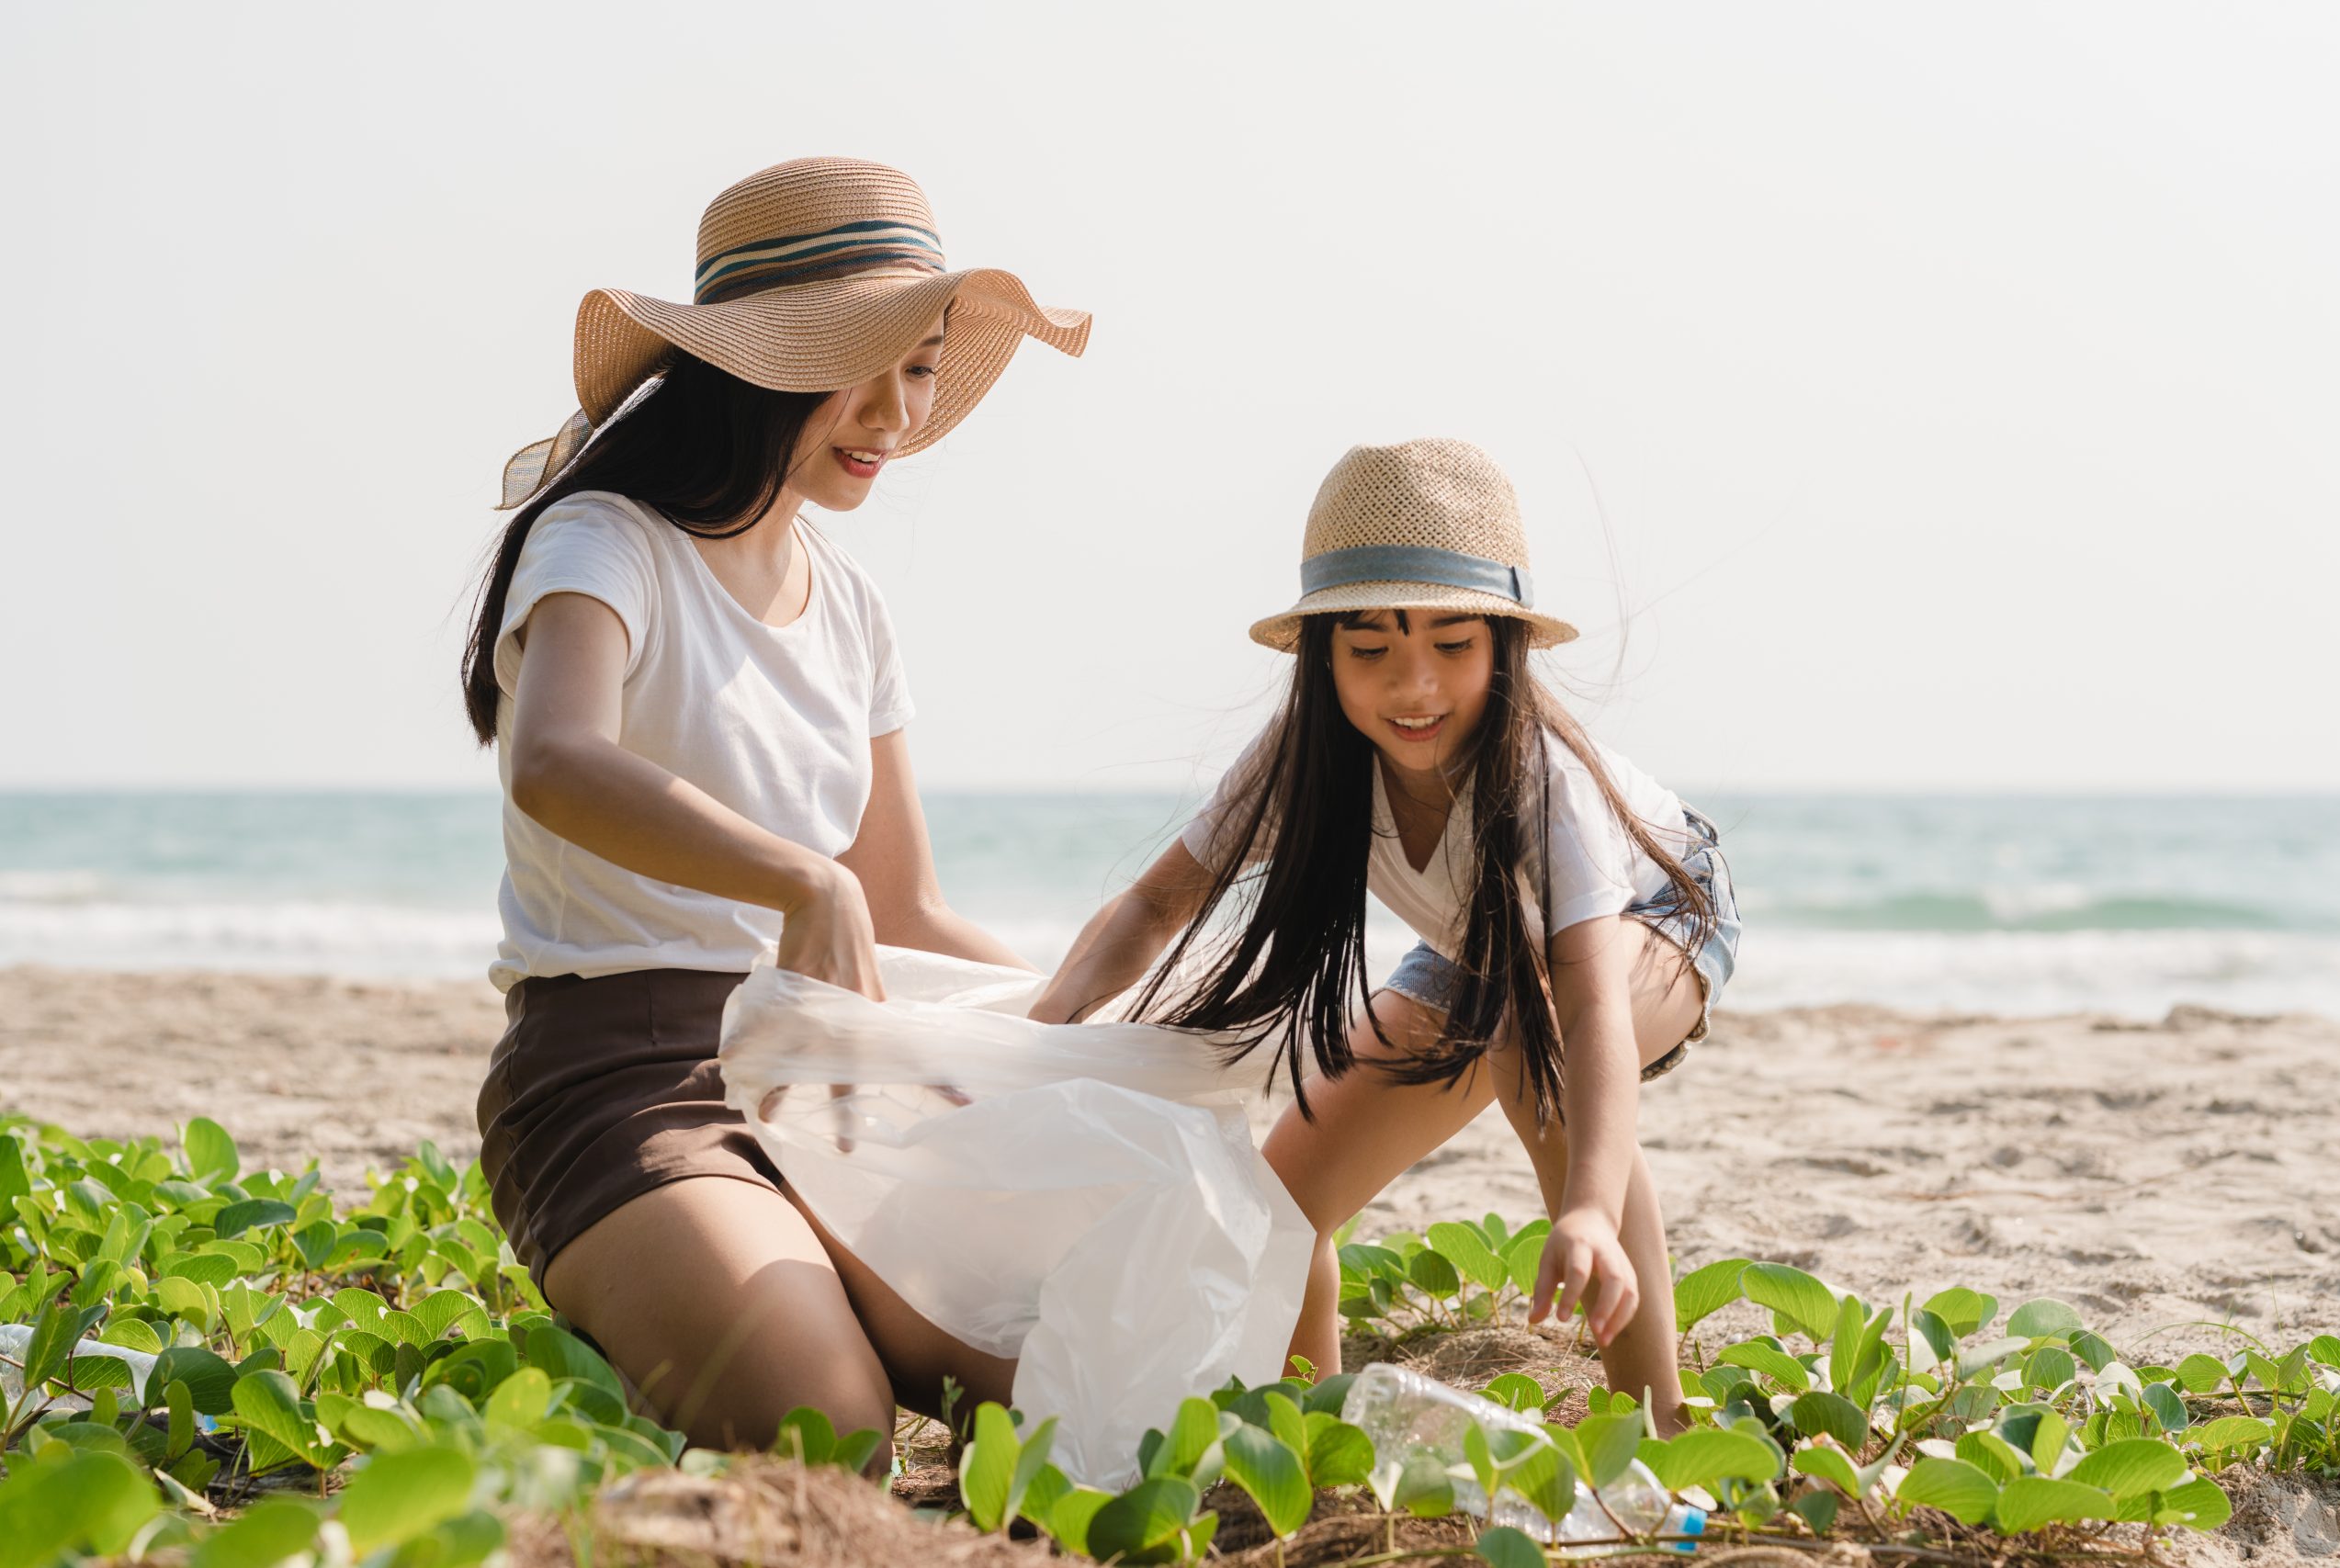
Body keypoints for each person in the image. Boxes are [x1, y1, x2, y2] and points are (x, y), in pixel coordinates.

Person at [458, 156, 1087, 1452]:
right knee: (833, 1425)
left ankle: (720, 1287)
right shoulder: (606, 539)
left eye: (919, 365)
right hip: (619, 1075)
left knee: (1078, 1373)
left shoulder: (849, 600)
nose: (895, 413)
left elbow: (906, 905)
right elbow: (553, 760)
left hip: (832, 1076)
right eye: (856, 364)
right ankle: (654, 1286)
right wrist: (803, 880)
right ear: (750, 363)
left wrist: (1097, 1017)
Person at [1029, 437, 1737, 1427]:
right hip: (1480, 947)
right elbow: (1154, 905)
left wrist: (1584, 1206)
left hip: (1655, 910)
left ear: (1505, 646)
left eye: (1452, 646)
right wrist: (1052, 1019)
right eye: (1371, 650)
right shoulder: (1301, 762)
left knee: (1529, 1042)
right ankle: (1315, 1428)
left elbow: (1585, 999)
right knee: (1279, 1208)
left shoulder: (1547, 783)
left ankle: (1658, 1424)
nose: (1414, 690)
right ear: (1324, 656)